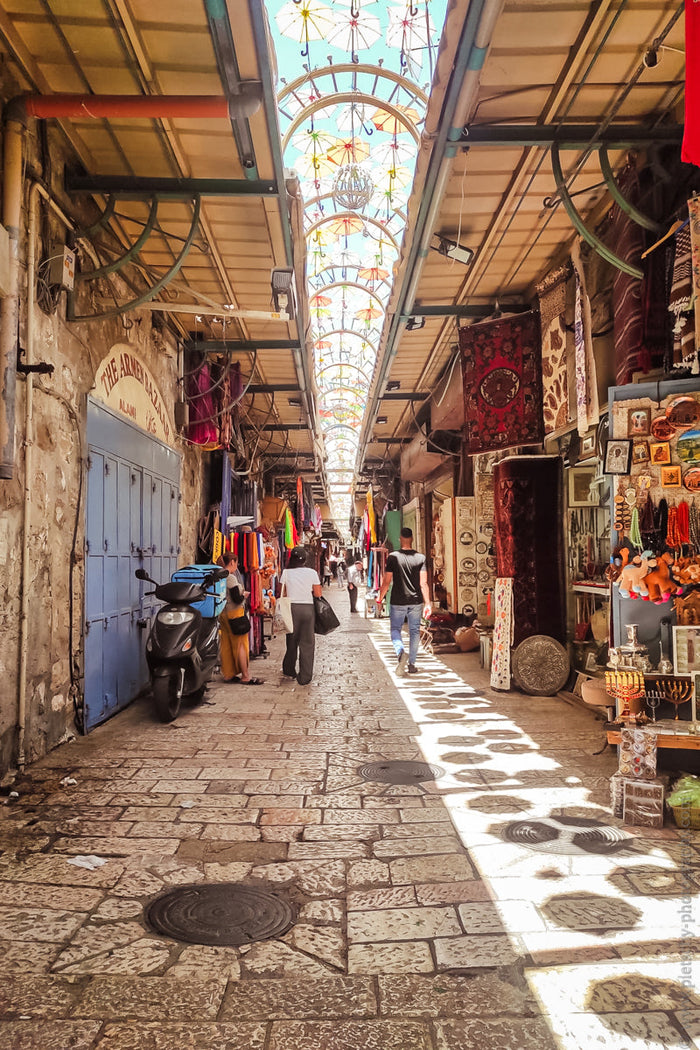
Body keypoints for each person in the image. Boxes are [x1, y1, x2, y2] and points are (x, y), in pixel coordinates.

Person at [377, 526, 431, 676]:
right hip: (416, 601)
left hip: (398, 600)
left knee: (395, 629)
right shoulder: (421, 558)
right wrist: (428, 603)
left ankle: (401, 653)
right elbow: (423, 583)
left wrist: (379, 598)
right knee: (414, 631)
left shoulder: (393, 557)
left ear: (400, 539)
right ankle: (412, 664)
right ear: (412, 539)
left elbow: (387, 581)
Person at [280, 546, 323, 685]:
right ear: (305, 559)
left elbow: (282, 592)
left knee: (291, 640)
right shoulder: (312, 573)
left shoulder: (286, 573)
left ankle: (289, 670)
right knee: (307, 643)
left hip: (291, 608)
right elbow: (318, 594)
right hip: (308, 609)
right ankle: (305, 676)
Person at [219, 572, 263, 685]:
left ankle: (228, 674)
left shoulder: (218, 576)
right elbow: (237, 598)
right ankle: (245, 675)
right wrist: (244, 595)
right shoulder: (231, 578)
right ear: (232, 563)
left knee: (226, 644)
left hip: (223, 613)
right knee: (240, 645)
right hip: (234, 613)